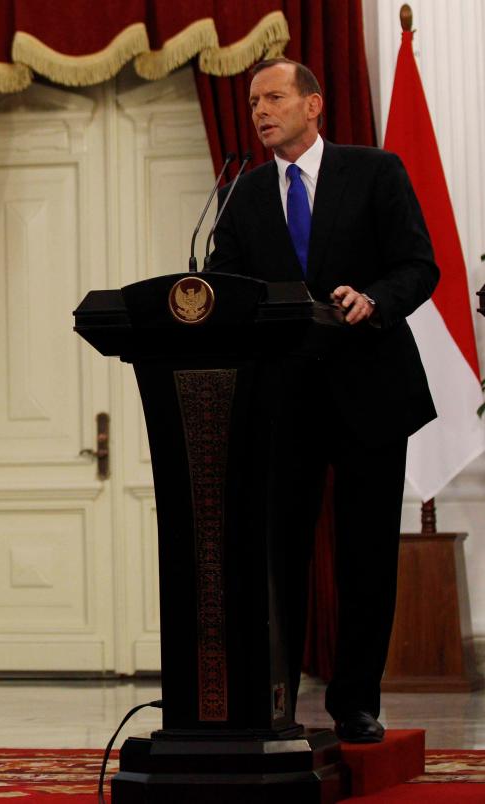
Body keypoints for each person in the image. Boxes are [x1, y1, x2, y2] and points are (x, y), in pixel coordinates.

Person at [207, 59, 439, 743]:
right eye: (252, 102)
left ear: (314, 104)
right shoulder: (244, 195)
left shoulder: (375, 171)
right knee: (279, 553)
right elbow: (223, 280)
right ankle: (271, 694)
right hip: (283, 399)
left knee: (366, 553)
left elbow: (418, 265)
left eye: (274, 97)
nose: (259, 111)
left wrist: (375, 300)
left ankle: (356, 701)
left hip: (370, 387)